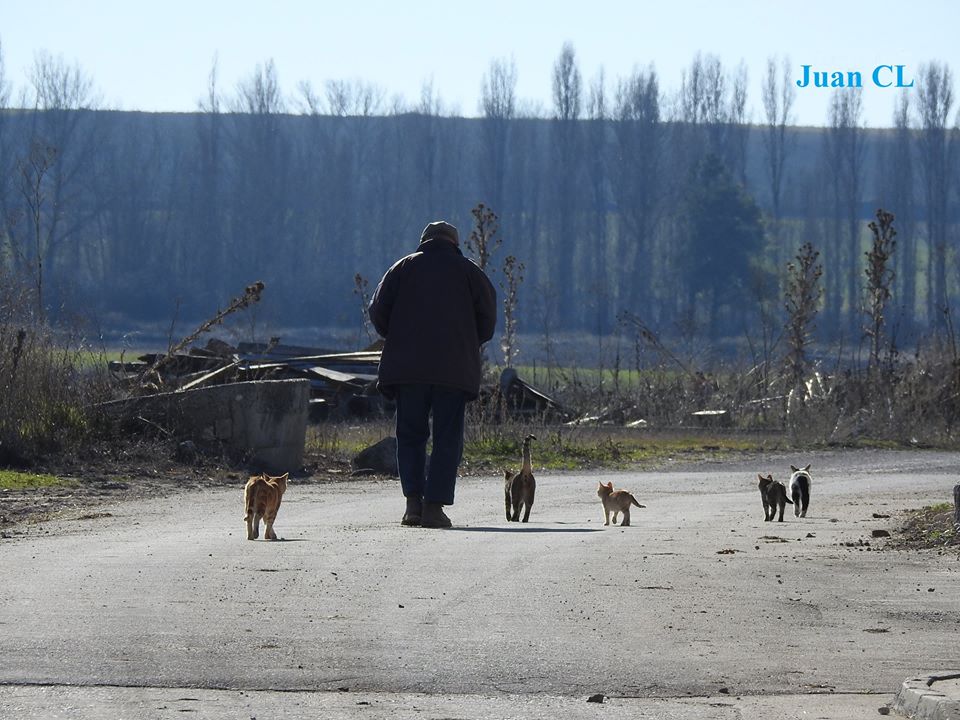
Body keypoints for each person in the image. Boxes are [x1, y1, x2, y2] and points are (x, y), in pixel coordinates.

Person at [368, 220, 497, 528]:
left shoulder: (402, 268)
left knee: (410, 435)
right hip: (453, 370)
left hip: (408, 370)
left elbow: (377, 311)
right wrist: (466, 342)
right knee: (447, 438)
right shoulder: (470, 272)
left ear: (424, 241)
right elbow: (488, 321)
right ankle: (434, 507)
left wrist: (398, 337)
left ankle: (413, 505)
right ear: (455, 243)